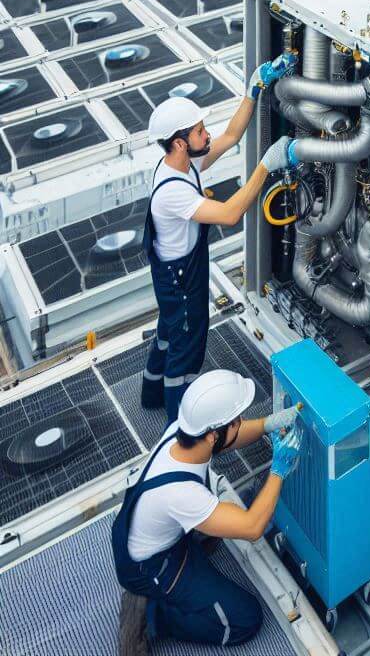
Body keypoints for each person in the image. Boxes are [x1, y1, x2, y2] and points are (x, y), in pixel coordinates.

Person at [142, 53, 295, 422]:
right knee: (185, 350)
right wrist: (266, 166)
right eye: (197, 131)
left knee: (168, 332)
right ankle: (181, 430)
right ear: (180, 142)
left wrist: (254, 89)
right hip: (181, 282)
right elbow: (229, 214)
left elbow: (230, 135)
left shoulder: (181, 162)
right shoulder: (173, 190)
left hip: (173, 277)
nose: (205, 135)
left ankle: (150, 394)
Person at [114, 370, 303, 654]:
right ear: (213, 435)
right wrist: (279, 468)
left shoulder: (181, 433)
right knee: (245, 618)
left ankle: (187, 564)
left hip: (150, 534)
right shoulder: (182, 494)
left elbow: (231, 438)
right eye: (236, 421)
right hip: (152, 567)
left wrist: (268, 424)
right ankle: (155, 615)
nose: (241, 424)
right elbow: (252, 528)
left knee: (223, 516)